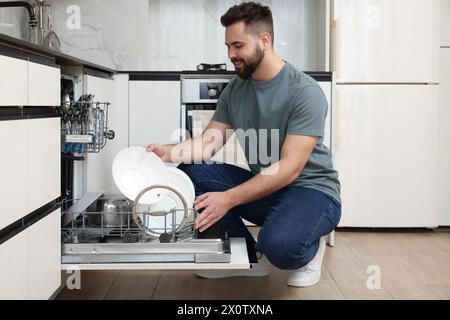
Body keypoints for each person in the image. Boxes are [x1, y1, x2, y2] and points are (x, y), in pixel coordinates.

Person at [146, 2, 341, 287]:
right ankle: (247, 257)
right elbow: (206, 144)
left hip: (311, 190)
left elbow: (288, 170)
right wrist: (164, 152)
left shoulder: (304, 92)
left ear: (265, 40)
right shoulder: (236, 90)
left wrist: (230, 198)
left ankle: (309, 246)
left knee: (280, 247)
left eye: (237, 45)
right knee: (191, 172)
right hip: (268, 187)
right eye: (227, 46)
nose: (230, 55)